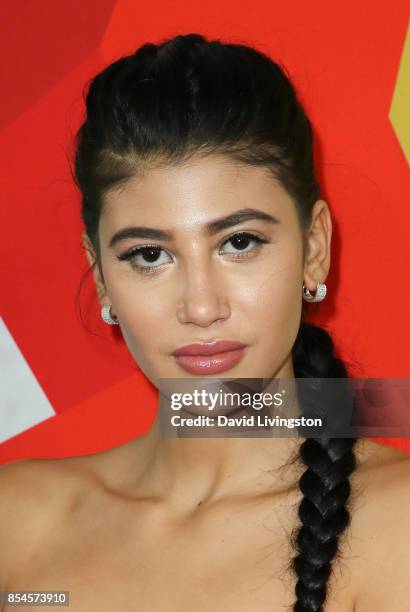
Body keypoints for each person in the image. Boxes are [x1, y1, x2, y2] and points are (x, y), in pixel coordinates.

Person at [1, 32, 409, 612]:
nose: (200, 306)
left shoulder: (400, 532)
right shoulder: (17, 522)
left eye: (240, 242)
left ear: (313, 246)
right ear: (99, 276)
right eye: (149, 254)